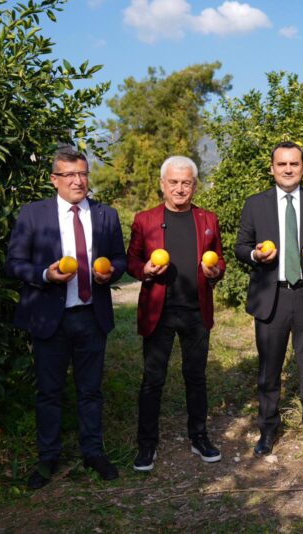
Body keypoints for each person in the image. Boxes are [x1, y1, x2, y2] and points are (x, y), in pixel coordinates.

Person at [6, 148, 127, 489]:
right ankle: (48, 458)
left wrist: (110, 274)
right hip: (50, 317)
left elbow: (118, 258)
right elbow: (13, 263)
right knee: (49, 391)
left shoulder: (106, 215)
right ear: (54, 179)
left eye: (83, 173)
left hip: (91, 315)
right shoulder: (33, 215)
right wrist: (45, 274)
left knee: (91, 390)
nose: (78, 180)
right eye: (70, 174)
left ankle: (93, 452)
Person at [235, 141, 303, 457]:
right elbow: (241, 247)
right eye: (282, 164)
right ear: (272, 168)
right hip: (272, 296)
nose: (288, 169)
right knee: (269, 368)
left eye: (294, 164)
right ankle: (267, 430)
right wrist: (255, 254)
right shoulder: (256, 204)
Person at [127, 156, 226, 471]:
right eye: (174, 182)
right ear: (162, 184)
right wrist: (144, 269)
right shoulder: (145, 220)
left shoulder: (208, 220)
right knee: (153, 379)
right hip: (160, 311)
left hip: (196, 311)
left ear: (194, 185)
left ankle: (199, 437)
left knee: (196, 377)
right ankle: (147, 445)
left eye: (186, 183)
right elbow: (132, 260)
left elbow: (220, 261)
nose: (180, 188)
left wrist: (215, 272)